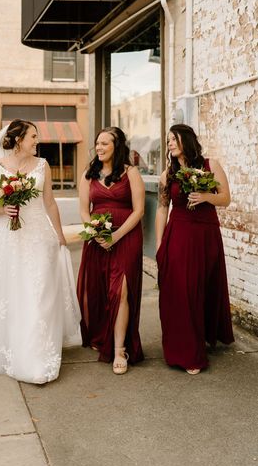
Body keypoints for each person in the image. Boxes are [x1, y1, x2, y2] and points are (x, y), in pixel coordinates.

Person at [0, 119, 81, 384]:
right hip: (7, 239)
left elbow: (50, 202)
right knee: (14, 293)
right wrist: (3, 209)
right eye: (33, 136)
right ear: (19, 139)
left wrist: (59, 234)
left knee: (40, 292)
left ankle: (39, 355)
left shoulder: (42, 166)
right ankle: (17, 349)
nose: (37, 141)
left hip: (39, 236)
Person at [155, 124, 234, 374]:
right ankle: (187, 351)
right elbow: (161, 208)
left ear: (186, 140)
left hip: (206, 234)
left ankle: (200, 338)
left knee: (203, 288)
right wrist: (159, 245)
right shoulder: (167, 174)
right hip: (178, 233)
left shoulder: (211, 165)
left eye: (173, 139)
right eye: (167, 140)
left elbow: (226, 198)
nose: (169, 143)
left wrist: (206, 196)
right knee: (181, 291)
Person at [77, 127, 145, 374]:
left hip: (126, 237)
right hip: (97, 238)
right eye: (97, 143)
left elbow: (139, 211)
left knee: (121, 291)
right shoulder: (89, 174)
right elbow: (85, 209)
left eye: (105, 143)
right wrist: (95, 231)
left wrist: (116, 235)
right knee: (99, 290)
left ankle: (119, 350)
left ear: (117, 146)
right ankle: (102, 333)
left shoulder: (131, 173)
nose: (99, 147)